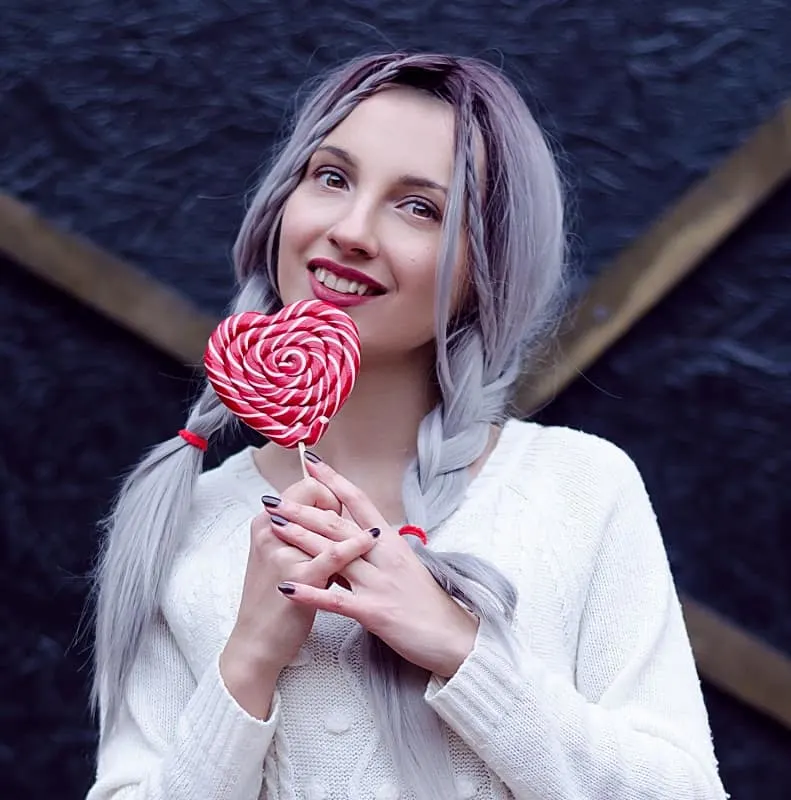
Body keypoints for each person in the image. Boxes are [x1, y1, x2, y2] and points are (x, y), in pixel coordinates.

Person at [86, 52, 728, 800]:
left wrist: (462, 651)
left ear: (483, 268)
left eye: (418, 207)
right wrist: (249, 657)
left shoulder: (579, 488)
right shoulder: (183, 522)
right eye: (331, 177)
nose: (352, 230)